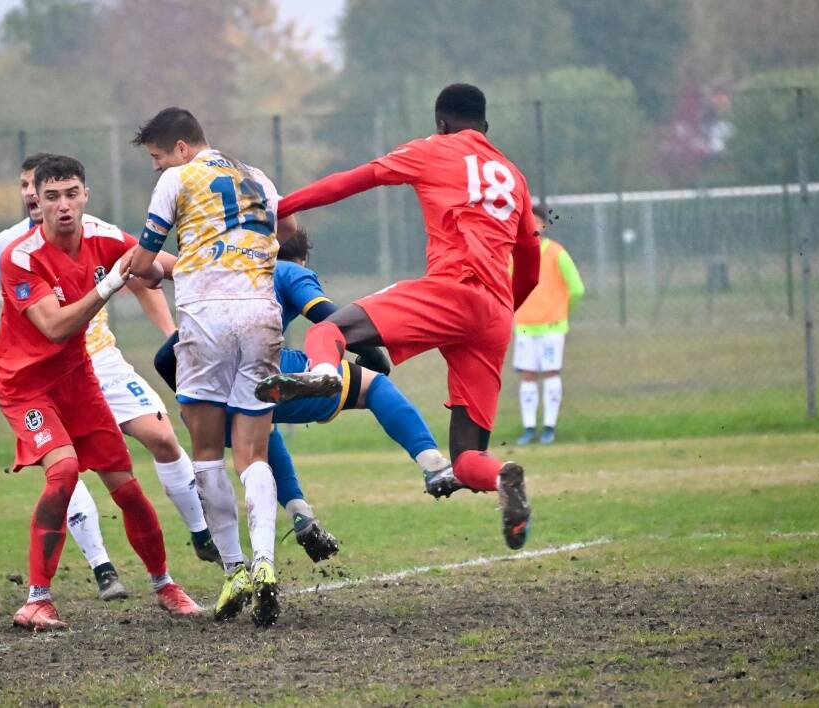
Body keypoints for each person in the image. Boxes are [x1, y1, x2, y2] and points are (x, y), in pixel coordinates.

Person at [256, 83, 541, 551]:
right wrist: (501, 312)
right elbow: (529, 268)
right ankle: (502, 478)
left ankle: (324, 374)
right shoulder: (513, 175)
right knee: (468, 457)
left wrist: (277, 208)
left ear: (441, 124)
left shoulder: (435, 149)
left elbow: (350, 181)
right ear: (486, 127)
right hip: (495, 314)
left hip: (453, 289)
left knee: (330, 330)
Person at [0, 153, 217, 603]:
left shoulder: (103, 235)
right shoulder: (16, 255)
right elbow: (56, 326)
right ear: (35, 202)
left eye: (70, 194)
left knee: (126, 481)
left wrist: (219, 272)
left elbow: (153, 262)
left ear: (85, 195)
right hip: (24, 383)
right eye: (50, 196)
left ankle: (165, 584)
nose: (62, 204)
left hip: (80, 373)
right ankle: (39, 598)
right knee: (63, 471)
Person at [153, 229, 441, 563]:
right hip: (264, 367)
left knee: (263, 425)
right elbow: (326, 315)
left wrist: (197, 406)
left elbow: (164, 358)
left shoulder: (230, 275)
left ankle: (297, 514)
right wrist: (370, 350)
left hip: (213, 389)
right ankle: (433, 463)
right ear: (301, 258)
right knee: (374, 385)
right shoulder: (288, 270)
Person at [126, 107, 291, 626]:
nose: (156, 168)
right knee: (254, 453)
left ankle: (236, 568)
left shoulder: (179, 177)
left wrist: (151, 271)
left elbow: (145, 256)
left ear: (179, 147)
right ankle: (266, 561)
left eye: (156, 157)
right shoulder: (260, 178)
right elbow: (262, 244)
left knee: (205, 453)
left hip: (206, 321)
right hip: (263, 315)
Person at [513, 205, 584, 446]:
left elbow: (576, 288)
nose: (531, 226)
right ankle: (529, 427)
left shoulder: (556, 252)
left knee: (551, 372)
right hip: (524, 326)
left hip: (552, 327)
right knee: (527, 375)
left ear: (544, 225)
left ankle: (549, 428)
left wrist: (561, 312)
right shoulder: (515, 254)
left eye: (536, 221)